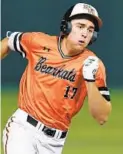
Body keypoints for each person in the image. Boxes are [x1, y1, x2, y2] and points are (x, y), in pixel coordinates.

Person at [1, 2, 112, 154]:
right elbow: (9, 42)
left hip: (55, 143)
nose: (85, 33)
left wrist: (90, 80)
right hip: (23, 129)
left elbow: (102, 117)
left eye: (90, 29)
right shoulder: (39, 42)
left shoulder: (93, 64)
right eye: (80, 26)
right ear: (66, 26)